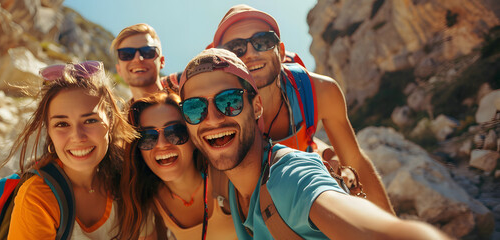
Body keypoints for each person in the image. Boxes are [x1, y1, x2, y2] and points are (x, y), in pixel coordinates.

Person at [177, 48, 450, 239]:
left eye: (229, 101)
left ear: (256, 106)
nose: (212, 118)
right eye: (193, 108)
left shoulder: (290, 178)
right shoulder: (235, 194)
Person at [208, 4, 394, 213]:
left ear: (280, 51)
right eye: (236, 48)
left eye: (263, 41)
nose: (251, 53)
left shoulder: (318, 91)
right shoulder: (212, 109)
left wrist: (393, 230)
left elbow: (355, 162)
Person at [4, 61, 152, 239]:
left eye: (90, 120)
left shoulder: (128, 177)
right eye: (62, 124)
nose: (77, 137)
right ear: (49, 131)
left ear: (111, 121)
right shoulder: (37, 197)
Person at [118, 92, 237, 240]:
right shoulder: (148, 203)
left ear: (193, 137)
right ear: (138, 149)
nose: (161, 144)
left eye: (174, 131)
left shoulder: (228, 178)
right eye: (147, 137)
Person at [112, 23, 166, 101]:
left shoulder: (186, 107)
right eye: (127, 54)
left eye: (147, 51)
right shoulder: (119, 113)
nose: (137, 59)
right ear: (119, 69)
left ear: (161, 61)